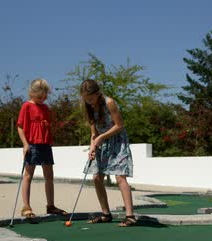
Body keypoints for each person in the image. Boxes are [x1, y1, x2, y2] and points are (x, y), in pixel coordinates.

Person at [79, 79, 136, 227]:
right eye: (86, 99)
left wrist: (101, 137)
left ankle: (130, 216)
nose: (89, 102)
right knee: (97, 177)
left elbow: (119, 125)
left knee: (120, 177)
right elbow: (94, 132)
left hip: (117, 141)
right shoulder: (89, 107)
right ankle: (106, 214)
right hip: (101, 142)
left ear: (97, 93)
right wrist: (92, 147)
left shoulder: (109, 102)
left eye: (91, 99)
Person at [16, 78, 68, 219]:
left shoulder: (45, 108)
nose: (43, 99)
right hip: (32, 144)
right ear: (32, 93)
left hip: (45, 144)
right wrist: (25, 144)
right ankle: (26, 207)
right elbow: (20, 127)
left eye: (45, 97)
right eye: (40, 97)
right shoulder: (26, 106)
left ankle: (50, 205)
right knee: (28, 175)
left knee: (49, 176)